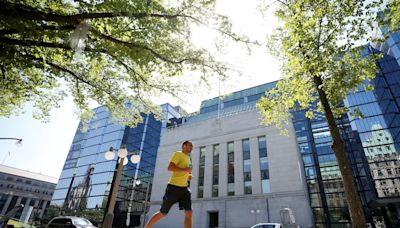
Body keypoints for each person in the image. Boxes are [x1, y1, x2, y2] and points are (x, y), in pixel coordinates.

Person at [145, 140, 193, 228]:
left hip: (185, 189)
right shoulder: (178, 154)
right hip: (173, 188)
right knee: (163, 213)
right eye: (190, 145)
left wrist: (188, 175)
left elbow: (186, 171)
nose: (192, 148)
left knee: (189, 213)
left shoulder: (189, 158)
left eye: (192, 146)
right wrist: (185, 170)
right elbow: (170, 167)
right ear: (184, 146)